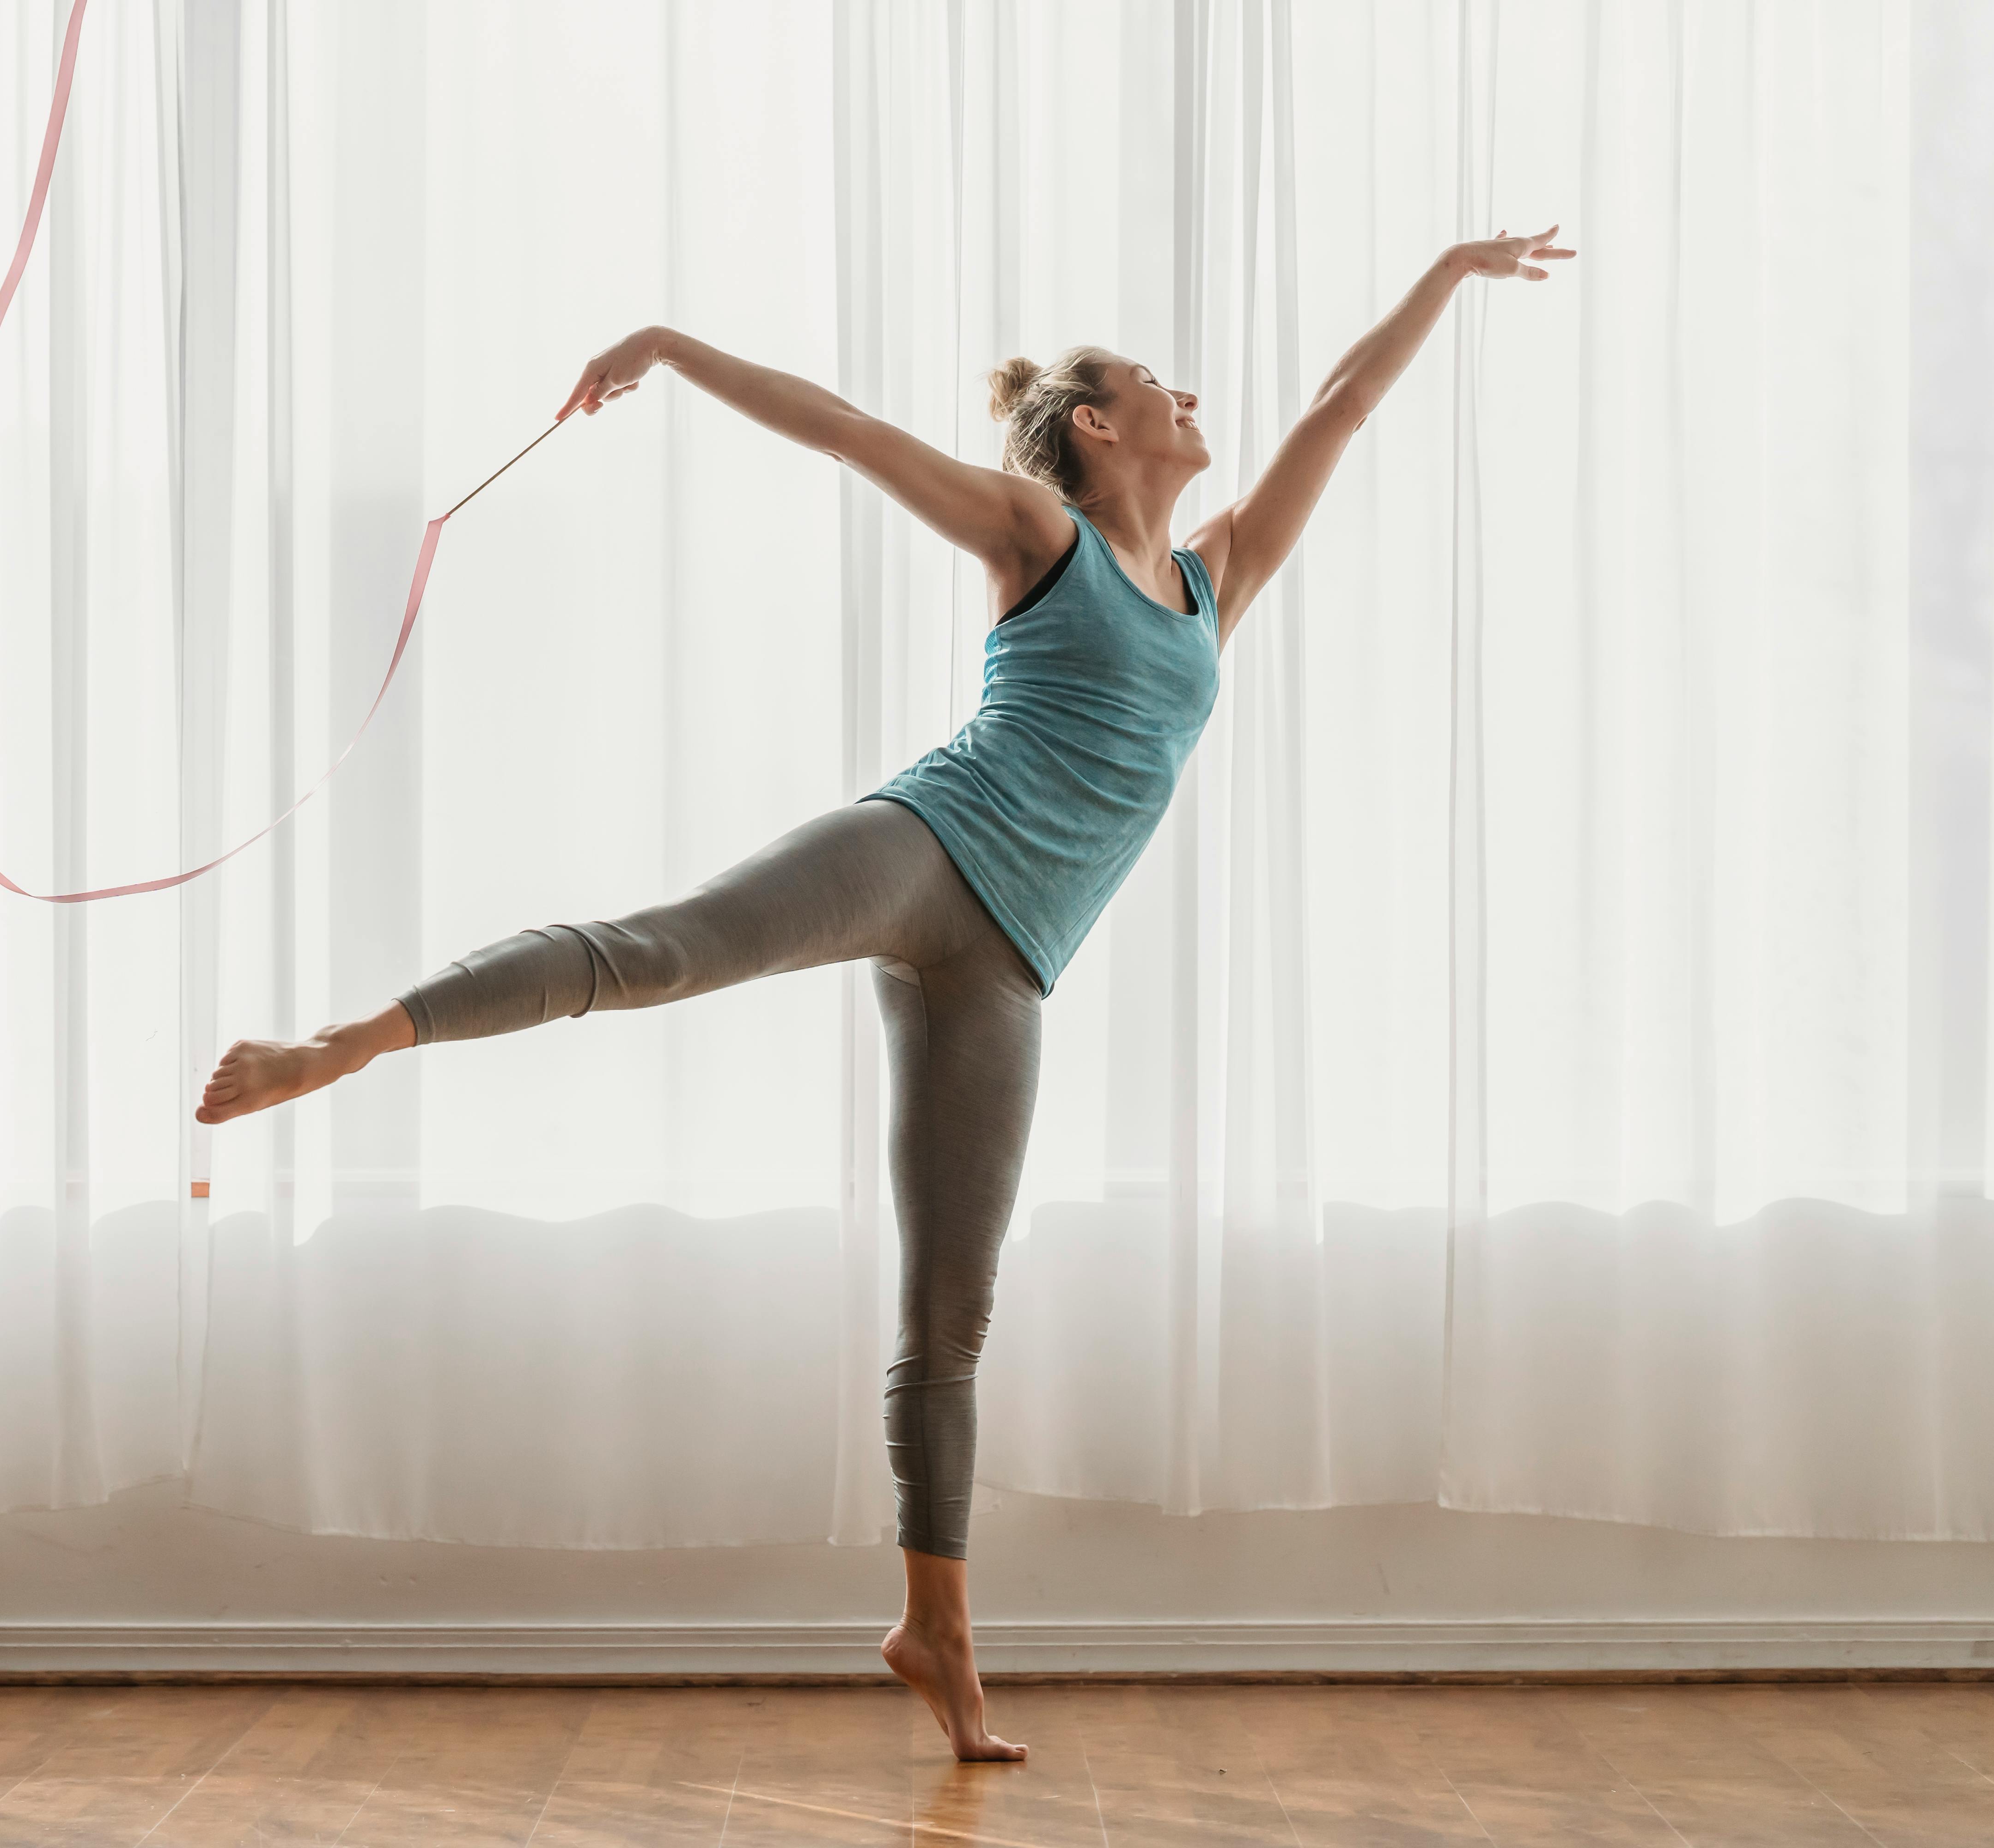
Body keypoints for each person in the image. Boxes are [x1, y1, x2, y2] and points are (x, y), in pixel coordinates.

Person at [196, 225, 1573, 1762]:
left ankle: (941, 1632)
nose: (1191, 395)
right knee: (666, 951)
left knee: (952, 1314)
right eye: (1151, 384)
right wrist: (669, 343)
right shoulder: (1034, 534)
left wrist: (1450, 274)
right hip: (925, 851)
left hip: (1015, 963)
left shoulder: (1213, 576)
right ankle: (349, 1042)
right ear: (1096, 430)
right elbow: (847, 432)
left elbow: (1344, 404)